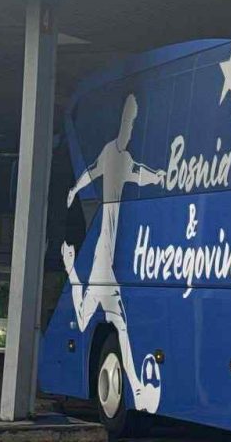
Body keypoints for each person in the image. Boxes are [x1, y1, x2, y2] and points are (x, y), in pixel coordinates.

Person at [61, 94, 165, 414]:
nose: (131, 129)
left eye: (133, 123)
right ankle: (138, 389)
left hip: (108, 255)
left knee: (114, 321)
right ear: (122, 122)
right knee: (115, 321)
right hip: (104, 253)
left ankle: (137, 390)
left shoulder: (126, 158)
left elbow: (141, 172)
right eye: (129, 122)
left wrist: (160, 177)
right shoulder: (110, 152)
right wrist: (74, 190)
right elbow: (91, 172)